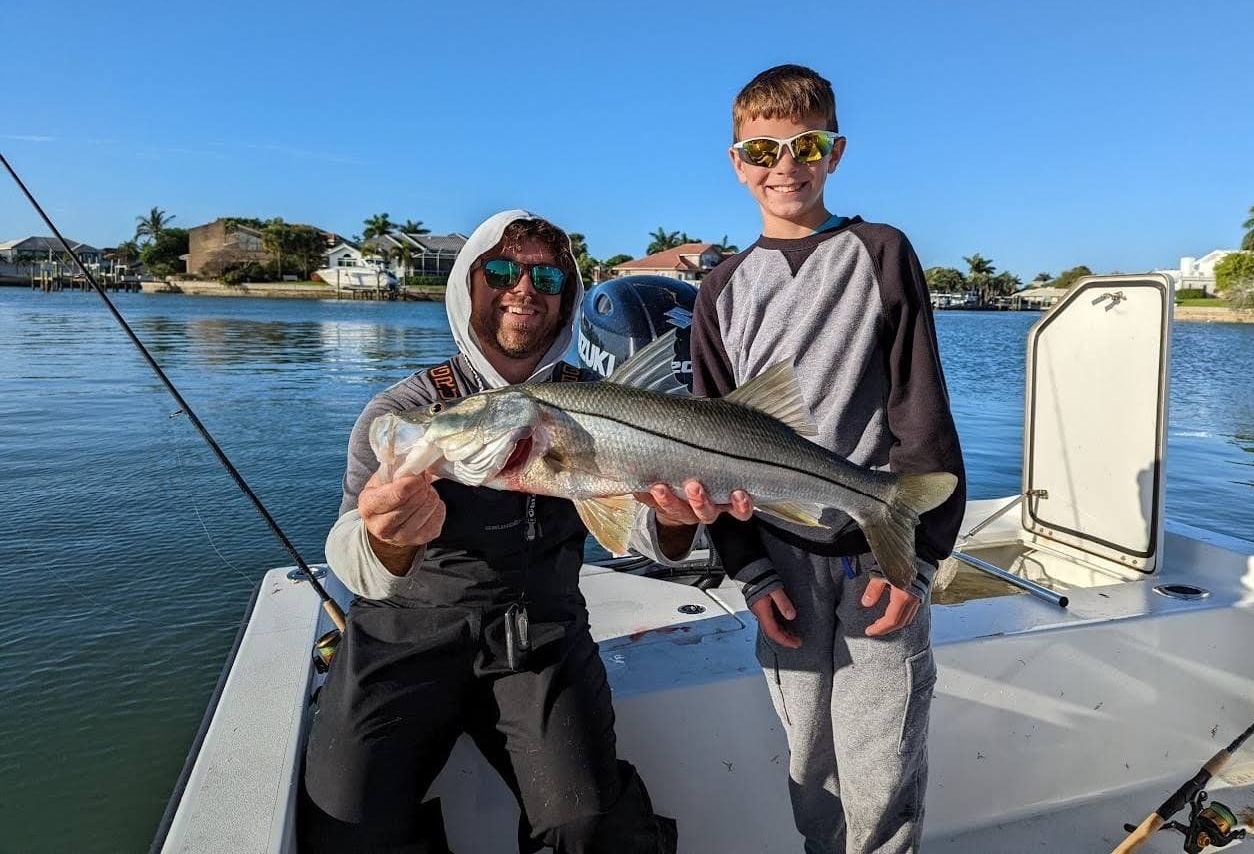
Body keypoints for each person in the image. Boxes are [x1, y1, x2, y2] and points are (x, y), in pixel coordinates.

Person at [301, 210, 721, 853]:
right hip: (401, 637)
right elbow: (350, 561)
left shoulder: (603, 403)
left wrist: (669, 519)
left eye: (545, 276)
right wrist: (388, 534)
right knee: (345, 824)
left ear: (568, 297)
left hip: (541, 639)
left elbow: (637, 529)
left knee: (589, 827)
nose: (523, 288)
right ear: (467, 286)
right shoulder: (403, 410)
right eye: (499, 270)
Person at [652, 64, 968, 854]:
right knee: (809, 764)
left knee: (882, 764)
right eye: (762, 150)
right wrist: (749, 572)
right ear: (735, 161)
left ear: (836, 151)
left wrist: (917, 560)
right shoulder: (720, 289)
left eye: (806, 144)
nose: (784, 165)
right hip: (781, 564)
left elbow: (919, 408)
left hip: (874, 554)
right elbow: (711, 446)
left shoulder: (882, 251)